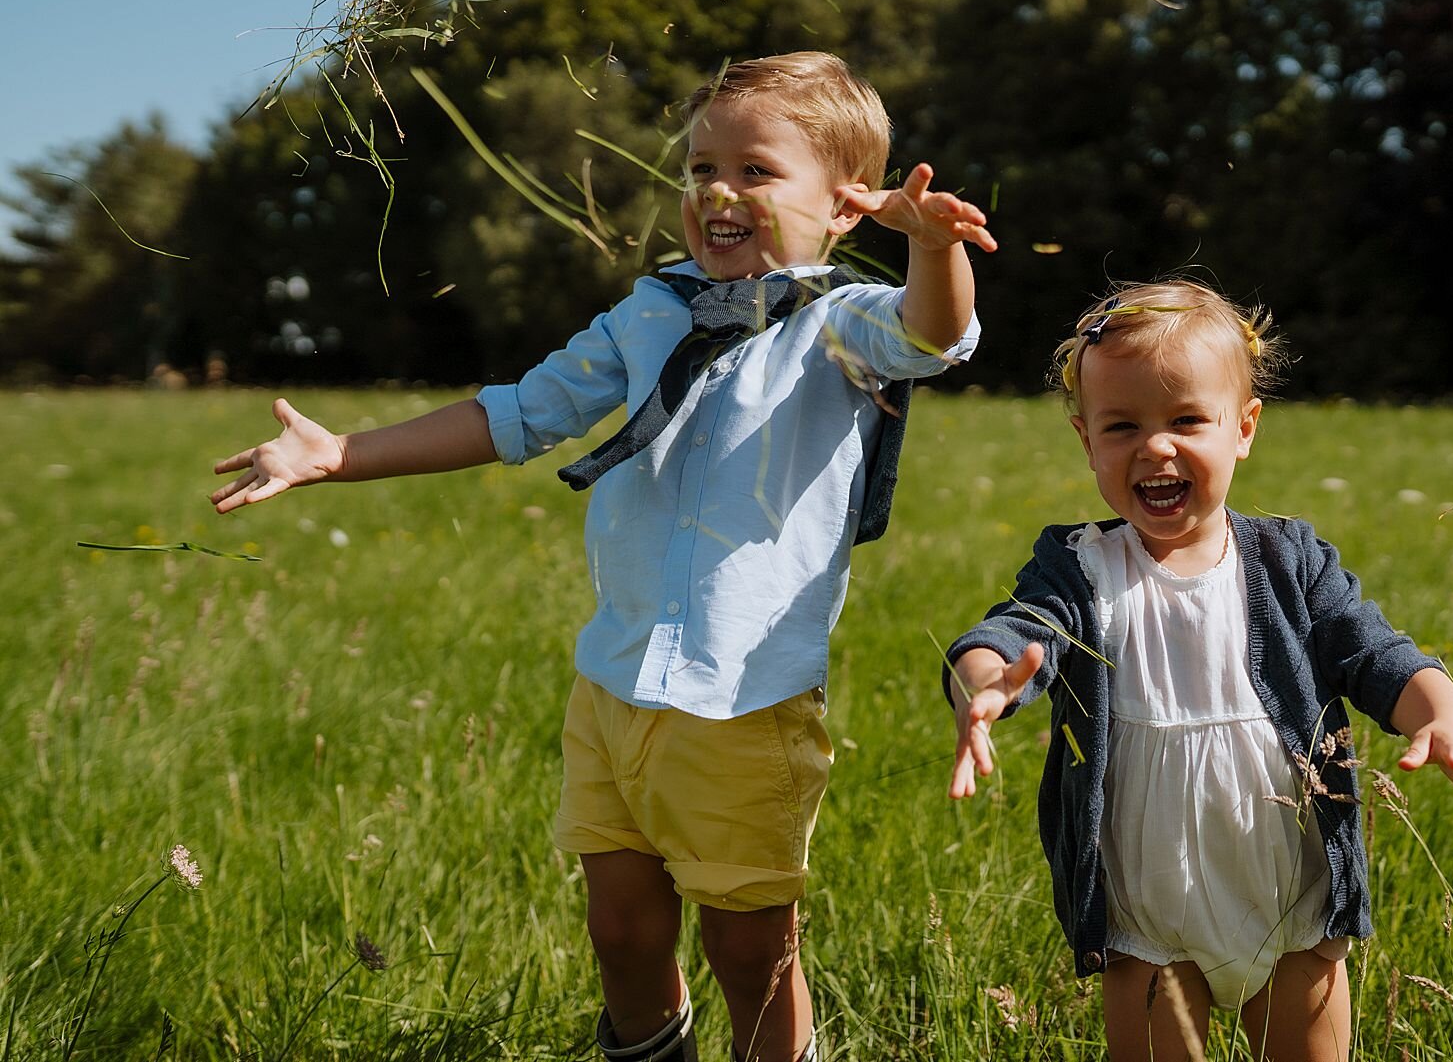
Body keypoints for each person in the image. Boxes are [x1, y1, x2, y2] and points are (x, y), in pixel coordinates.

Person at [211, 53, 995, 1062]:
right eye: (700, 167)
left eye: (756, 171)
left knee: (749, 950)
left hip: (742, 704)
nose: (717, 190)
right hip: (615, 682)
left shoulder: (838, 328)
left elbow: (936, 334)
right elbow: (518, 414)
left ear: (844, 210)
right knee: (621, 930)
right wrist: (339, 456)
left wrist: (931, 248)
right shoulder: (648, 312)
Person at [943, 280, 1453, 1061]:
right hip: (1149, 915)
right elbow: (1012, 632)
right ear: (1087, 442)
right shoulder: (1079, 567)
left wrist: (1443, 721)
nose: (1156, 447)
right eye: (1123, 426)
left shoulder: (1291, 562)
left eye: (1187, 420)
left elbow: (1378, 653)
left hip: (1292, 902)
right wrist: (984, 683)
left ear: (1243, 428)